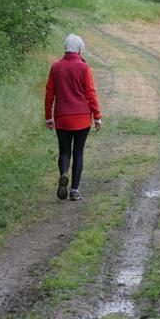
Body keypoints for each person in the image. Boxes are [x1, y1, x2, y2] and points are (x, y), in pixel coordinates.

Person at [45, 34, 102, 201]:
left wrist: (49, 116)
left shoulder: (55, 67)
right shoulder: (84, 68)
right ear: (79, 50)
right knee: (78, 152)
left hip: (62, 117)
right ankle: (74, 190)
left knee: (64, 151)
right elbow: (91, 94)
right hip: (82, 117)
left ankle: (63, 172)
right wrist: (97, 116)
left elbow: (49, 94)